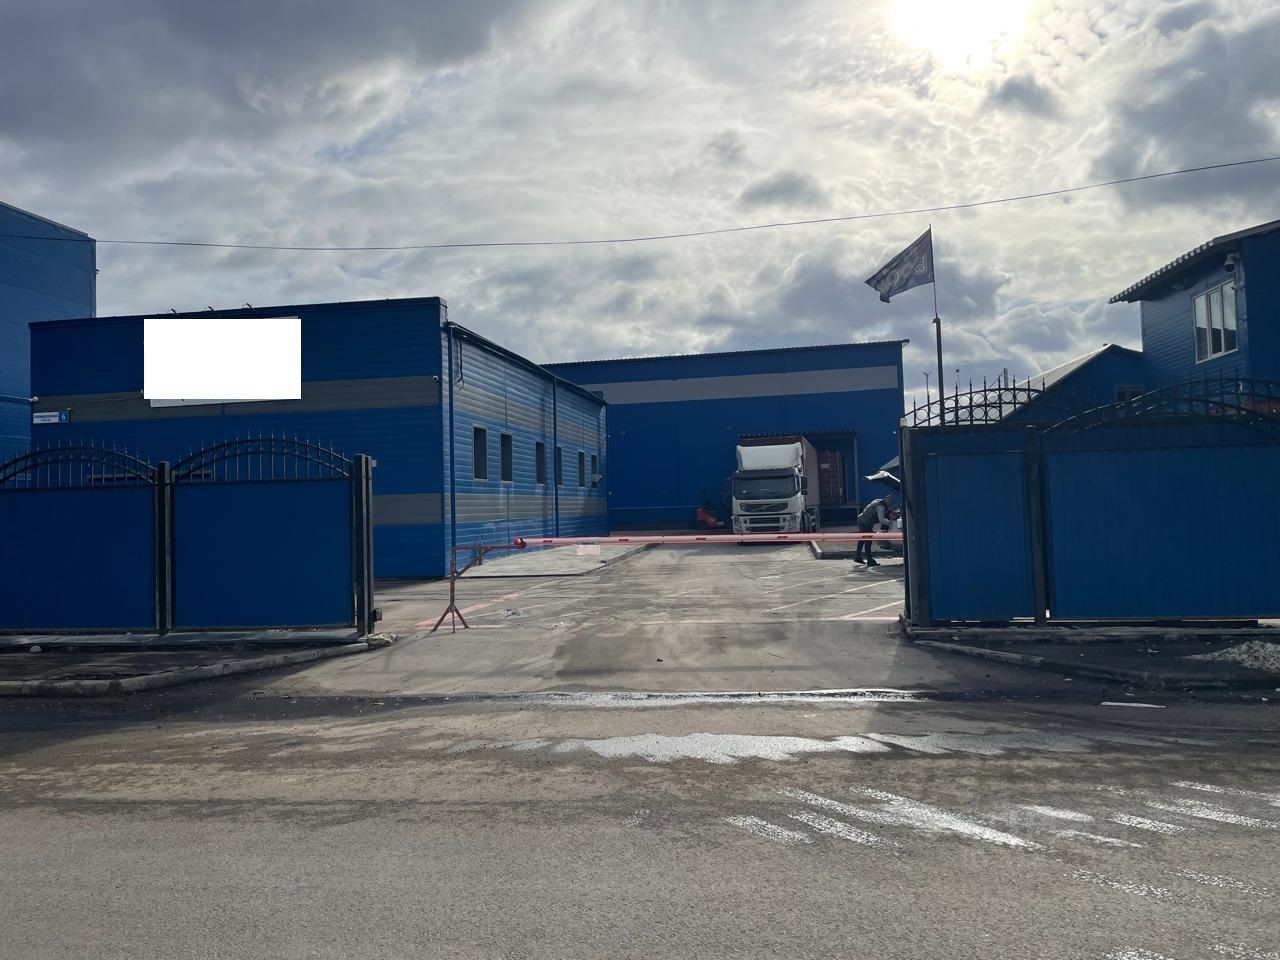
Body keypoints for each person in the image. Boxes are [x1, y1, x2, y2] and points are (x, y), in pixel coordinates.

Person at [855, 494, 899, 567]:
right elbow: (881, 519)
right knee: (868, 541)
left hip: (861, 519)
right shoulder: (881, 506)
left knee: (862, 539)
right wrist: (892, 524)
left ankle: (858, 556)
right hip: (866, 522)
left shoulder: (878, 501)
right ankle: (869, 560)